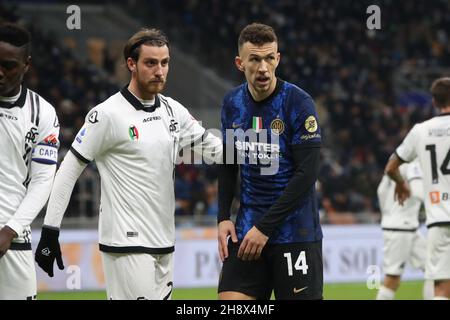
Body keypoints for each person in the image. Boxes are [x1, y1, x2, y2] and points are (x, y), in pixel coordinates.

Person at [34, 28, 222, 300]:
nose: (160, 71)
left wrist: (268, 152)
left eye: (165, 63)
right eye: (151, 63)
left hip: (163, 242)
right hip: (126, 243)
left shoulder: (173, 111)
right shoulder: (107, 115)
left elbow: (216, 149)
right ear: (131, 64)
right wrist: (50, 231)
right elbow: (68, 171)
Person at [217, 23, 323, 300]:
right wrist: (222, 217)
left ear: (278, 59)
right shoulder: (232, 103)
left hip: (295, 233)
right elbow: (229, 163)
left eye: (269, 58)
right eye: (254, 59)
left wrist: (265, 228)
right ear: (240, 63)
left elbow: (307, 173)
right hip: (247, 232)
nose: (263, 67)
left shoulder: (298, 102)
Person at [0, 23, 60, 300]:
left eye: (8, 66)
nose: (0, 73)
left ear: (26, 65)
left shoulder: (42, 114)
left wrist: (10, 230)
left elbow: (42, 180)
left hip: (12, 238)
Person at [385, 77, 450, 300]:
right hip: (414, 224)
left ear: (434, 102)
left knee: (441, 286)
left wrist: (400, 183)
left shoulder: (421, 131)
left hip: (438, 220)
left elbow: (391, 167)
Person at [376, 160, 434, 300]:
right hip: (401, 228)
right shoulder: (415, 164)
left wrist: (389, 213)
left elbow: (381, 192)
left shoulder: (394, 163)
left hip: (406, 227)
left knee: (433, 270)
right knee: (392, 279)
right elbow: (419, 192)